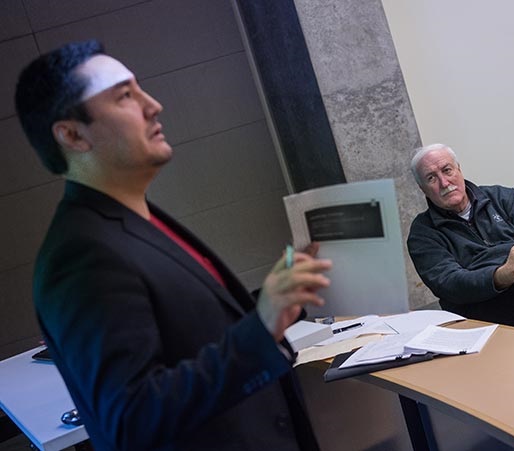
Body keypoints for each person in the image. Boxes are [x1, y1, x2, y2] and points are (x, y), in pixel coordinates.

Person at [15, 40, 332, 451]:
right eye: (125, 96)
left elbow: (191, 334)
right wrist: (259, 329)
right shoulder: (80, 254)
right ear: (73, 134)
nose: (153, 105)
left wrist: (274, 304)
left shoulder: (137, 219)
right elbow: (131, 420)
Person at [407, 143, 514, 333]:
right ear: (422, 189)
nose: (444, 182)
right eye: (431, 178)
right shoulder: (422, 233)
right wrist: (504, 273)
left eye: (447, 170)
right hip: (480, 311)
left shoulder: (501, 196)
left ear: (459, 169)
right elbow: (451, 284)